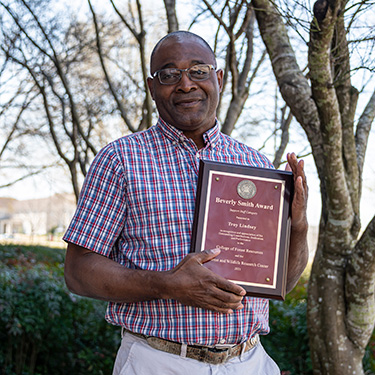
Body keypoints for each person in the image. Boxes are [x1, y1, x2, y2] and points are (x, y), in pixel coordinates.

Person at [63, 30, 309, 374]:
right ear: (152, 88)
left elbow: (280, 283)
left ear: (218, 78)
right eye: (168, 74)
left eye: (198, 71)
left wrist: (298, 226)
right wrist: (166, 285)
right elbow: (77, 272)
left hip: (250, 362)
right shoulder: (120, 159)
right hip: (159, 361)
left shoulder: (256, 166)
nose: (185, 84)